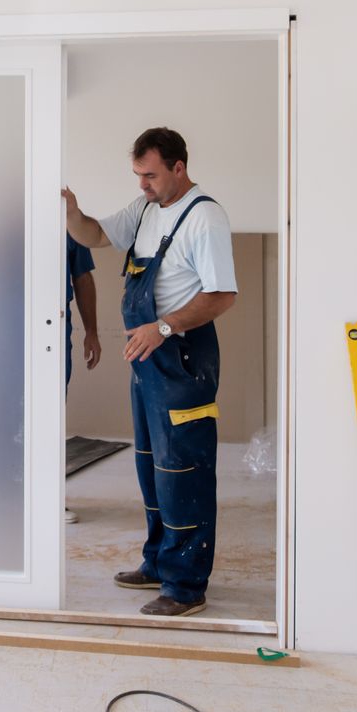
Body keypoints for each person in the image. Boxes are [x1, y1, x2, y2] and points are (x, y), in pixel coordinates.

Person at [63, 127, 237, 618]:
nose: (142, 184)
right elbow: (94, 234)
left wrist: (163, 326)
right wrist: (71, 211)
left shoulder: (204, 218)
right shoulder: (145, 210)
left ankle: (186, 586)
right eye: (138, 175)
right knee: (151, 465)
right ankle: (159, 563)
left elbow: (222, 296)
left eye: (150, 175)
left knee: (184, 470)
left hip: (182, 357)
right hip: (148, 358)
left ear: (178, 168)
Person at [65, 233, 100, 524]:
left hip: (51, 323)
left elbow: (83, 277)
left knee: (48, 414)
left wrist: (92, 331)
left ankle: (48, 496)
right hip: (1, 322)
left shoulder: (68, 220)